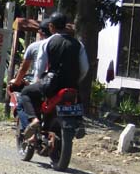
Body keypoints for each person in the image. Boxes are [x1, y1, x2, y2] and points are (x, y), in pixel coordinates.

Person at [20, 12, 89, 140]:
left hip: (51, 83)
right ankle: (79, 122)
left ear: (51, 26)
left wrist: (37, 81)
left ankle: (34, 120)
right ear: (66, 26)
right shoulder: (78, 44)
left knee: (25, 93)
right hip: (71, 84)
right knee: (77, 99)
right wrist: (76, 80)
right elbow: (85, 68)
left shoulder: (49, 42)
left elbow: (40, 64)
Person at [10, 19, 52, 133]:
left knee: (21, 102)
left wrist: (16, 82)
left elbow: (24, 68)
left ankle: (30, 130)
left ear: (40, 32)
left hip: (42, 83)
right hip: (59, 84)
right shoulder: (60, 44)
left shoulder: (35, 46)